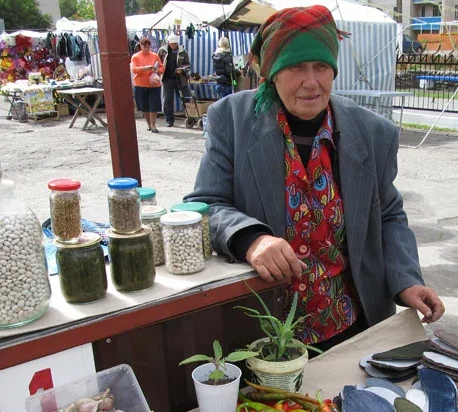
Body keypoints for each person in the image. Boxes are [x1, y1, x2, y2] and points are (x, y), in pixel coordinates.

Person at [184, 6, 444, 350]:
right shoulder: (232, 120)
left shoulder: (372, 132)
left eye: (321, 67)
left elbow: (387, 215)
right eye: (296, 67)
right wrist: (252, 240)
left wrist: (405, 279)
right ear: (272, 72)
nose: (311, 81)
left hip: (351, 325)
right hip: (264, 331)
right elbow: (205, 205)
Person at [130, 37, 163, 133]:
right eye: (145, 46)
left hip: (154, 85)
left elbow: (161, 67)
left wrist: (157, 70)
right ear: (141, 46)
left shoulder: (155, 56)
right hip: (140, 84)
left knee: (154, 106)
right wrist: (145, 68)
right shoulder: (135, 57)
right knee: (144, 107)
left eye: (149, 47)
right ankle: (148, 123)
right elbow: (134, 69)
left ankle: (153, 125)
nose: (147, 48)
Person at [161, 34, 191, 127]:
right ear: (168, 43)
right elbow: (158, 62)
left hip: (180, 78)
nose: (173, 45)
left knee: (186, 98)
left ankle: (190, 117)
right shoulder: (162, 51)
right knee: (167, 100)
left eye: (175, 43)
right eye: (172, 43)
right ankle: (169, 120)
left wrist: (181, 69)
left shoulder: (183, 52)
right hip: (167, 79)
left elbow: (188, 65)